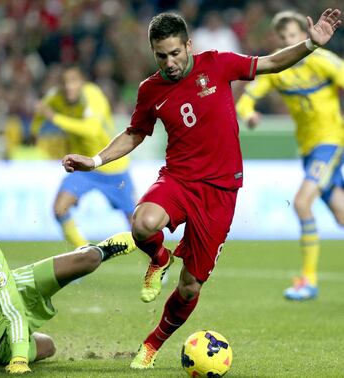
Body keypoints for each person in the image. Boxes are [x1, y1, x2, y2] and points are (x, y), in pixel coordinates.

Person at [61, 9, 342, 368]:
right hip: (178, 178)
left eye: (176, 53)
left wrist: (309, 45)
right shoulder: (151, 89)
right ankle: (159, 258)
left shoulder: (219, 64)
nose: (170, 62)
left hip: (221, 191)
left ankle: (152, 343)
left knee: (190, 285)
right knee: (143, 222)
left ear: (188, 45)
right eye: (161, 55)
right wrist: (97, 160)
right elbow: (135, 132)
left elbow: (270, 63)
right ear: (153, 52)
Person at [236, 10, 344, 301]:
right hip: (309, 150)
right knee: (341, 215)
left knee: (301, 202)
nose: (290, 41)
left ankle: (308, 280)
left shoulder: (323, 61)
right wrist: (249, 115)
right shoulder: (280, 68)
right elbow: (247, 99)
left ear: (305, 34)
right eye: (284, 38)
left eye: (295, 36)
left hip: (331, 142)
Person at [0, 222, 136, 374]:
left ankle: (102, 249)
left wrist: (19, 359)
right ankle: (18, 344)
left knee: (88, 259)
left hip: (11, 292)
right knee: (49, 346)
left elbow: (12, 309)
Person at [31, 64, 135, 248]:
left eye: (73, 81)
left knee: (137, 224)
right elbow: (40, 111)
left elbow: (91, 130)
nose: (69, 87)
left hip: (112, 165)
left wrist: (54, 118)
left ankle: (157, 261)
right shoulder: (56, 97)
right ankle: (85, 250)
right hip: (84, 166)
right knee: (59, 209)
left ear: (82, 82)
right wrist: (35, 132)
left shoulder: (93, 95)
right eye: (65, 83)